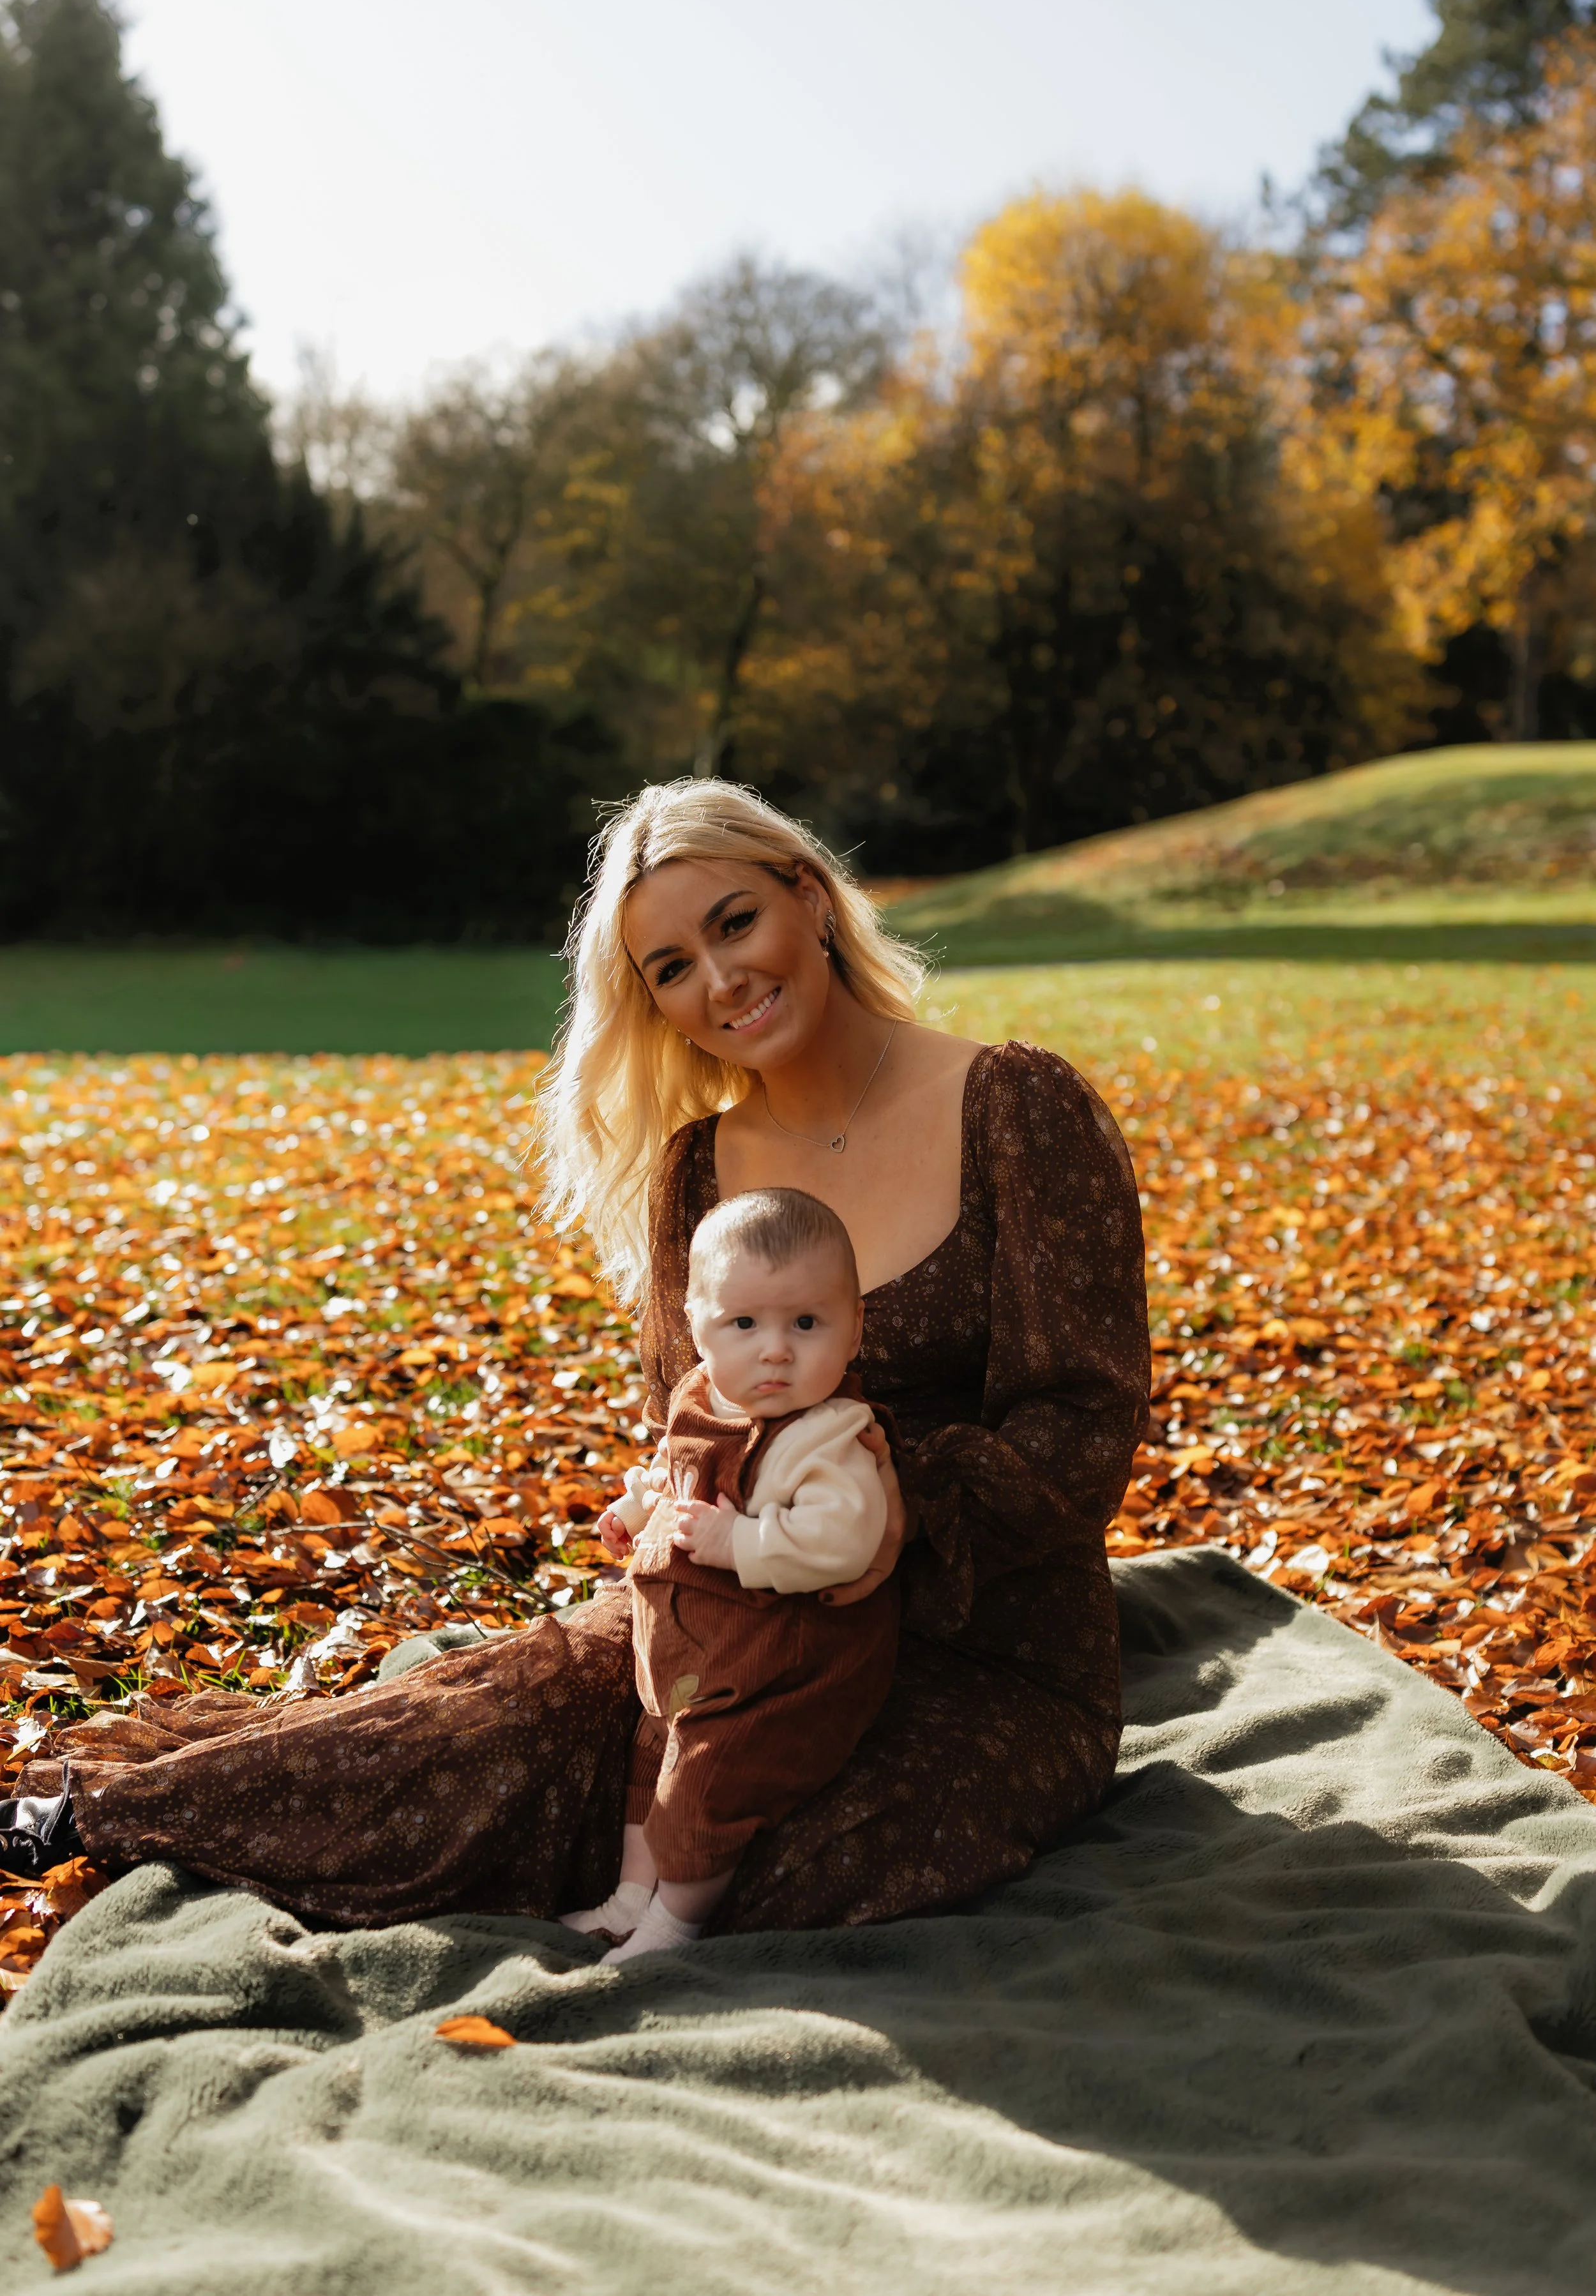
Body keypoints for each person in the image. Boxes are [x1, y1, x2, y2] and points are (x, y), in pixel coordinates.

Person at [0, 778, 1150, 1939]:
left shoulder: (1016, 1105)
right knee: (504, 1733)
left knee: (788, 1872)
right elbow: (690, 1418)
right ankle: (91, 1811)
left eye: (736, 922)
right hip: (737, 1614)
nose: (722, 980)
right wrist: (667, 1504)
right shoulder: (701, 1172)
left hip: (981, 1646)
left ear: (807, 897)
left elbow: (1084, 1421)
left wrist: (889, 1511)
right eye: (672, 968)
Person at [564, 1186, 899, 1961]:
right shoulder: (700, 1396)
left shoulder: (828, 1438)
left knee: (708, 1786)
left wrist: (740, 1541)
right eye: (743, 1324)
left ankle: (672, 1929)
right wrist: (636, 1511)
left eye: (806, 1324)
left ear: (854, 1331)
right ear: (697, 1327)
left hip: (779, 1664)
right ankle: (626, 1897)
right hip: (688, 1651)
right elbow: (670, 1468)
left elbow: (842, 1541)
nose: (774, 1350)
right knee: (650, 1761)